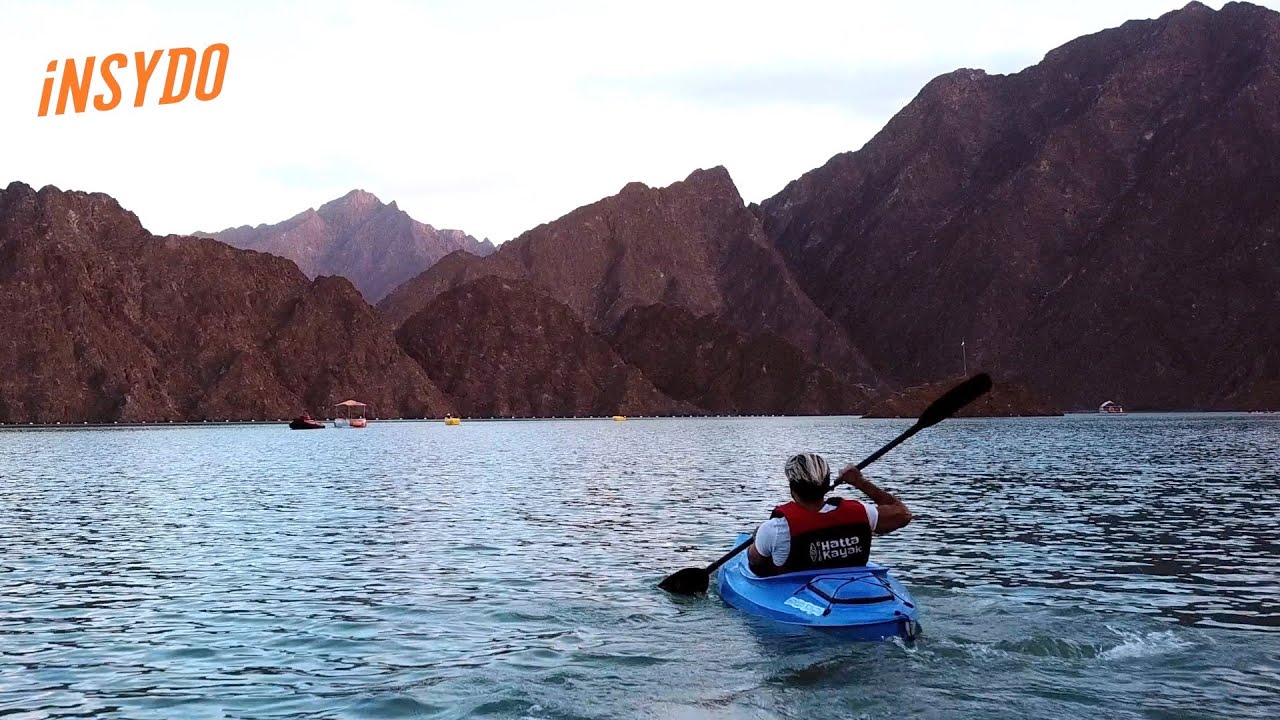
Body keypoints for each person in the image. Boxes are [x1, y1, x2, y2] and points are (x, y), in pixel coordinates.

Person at [747, 452, 913, 577]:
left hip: (797, 596)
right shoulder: (862, 513)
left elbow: (755, 564)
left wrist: (758, 538)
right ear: (826, 484)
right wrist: (859, 482)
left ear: (792, 487)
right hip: (853, 586)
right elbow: (903, 513)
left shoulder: (774, 529)